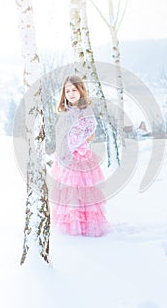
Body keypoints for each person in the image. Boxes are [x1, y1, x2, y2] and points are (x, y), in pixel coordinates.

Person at [48, 75, 109, 237]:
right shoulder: (66, 112)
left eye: (74, 90)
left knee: (80, 192)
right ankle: (70, 227)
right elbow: (61, 134)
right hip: (64, 156)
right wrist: (59, 151)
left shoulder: (85, 111)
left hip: (78, 157)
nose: (71, 93)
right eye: (67, 91)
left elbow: (82, 132)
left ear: (81, 90)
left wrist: (68, 149)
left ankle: (85, 227)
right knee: (68, 192)